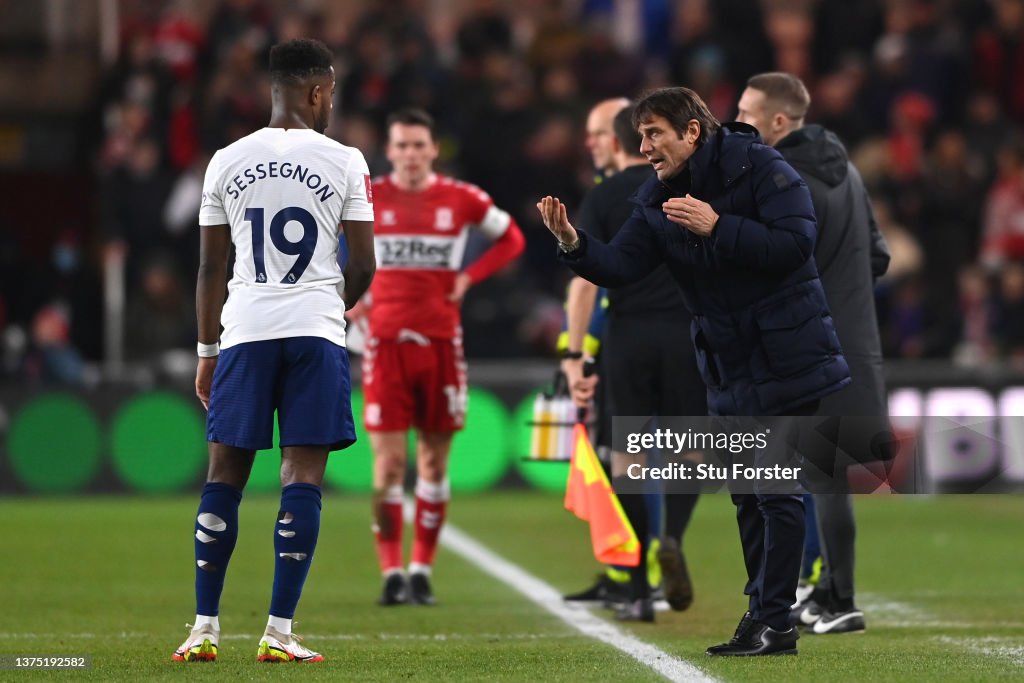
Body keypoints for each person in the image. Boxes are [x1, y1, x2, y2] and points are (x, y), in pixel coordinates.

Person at [537, 86, 851, 656]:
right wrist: (574, 244)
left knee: (775, 491)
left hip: (788, 353)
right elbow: (623, 264)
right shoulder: (656, 197)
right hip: (728, 361)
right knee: (746, 492)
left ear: (692, 132)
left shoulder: (759, 165)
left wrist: (716, 226)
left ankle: (777, 621)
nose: (644, 147)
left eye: (654, 133)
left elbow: (798, 244)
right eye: (640, 136)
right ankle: (762, 614)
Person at [173, 38, 376, 664]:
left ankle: (203, 629)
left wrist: (208, 349)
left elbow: (210, 266)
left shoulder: (225, 160)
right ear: (317, 91)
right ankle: (278, 632)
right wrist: (326, 307)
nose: (331, 103)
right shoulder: (344, 160)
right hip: (314, 333)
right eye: (332, 93)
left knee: (224, 475)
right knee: (301, 475)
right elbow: (364, 264)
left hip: (244, 331)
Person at [736, 71, 892, 635]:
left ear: (780, 121)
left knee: (798, 474)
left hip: (805, 347)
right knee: (820, 474)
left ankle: (834, 596)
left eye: (748, 112)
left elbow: (766, 261)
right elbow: (878, 256)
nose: (738, 120)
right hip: (854, 341)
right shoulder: (847, 170)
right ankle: (825, 592)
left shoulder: (778, 177)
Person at [356, 107, 525, 606]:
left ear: (433, 151)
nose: (410, 154)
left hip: (440, 343)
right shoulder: (368, 197)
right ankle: (391, 572)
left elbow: (512, 237)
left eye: (418, 146)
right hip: (384, 343)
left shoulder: (460, 198)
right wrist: (351, 299)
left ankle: (422, 569)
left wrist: (468, 278)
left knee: (432, 460)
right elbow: (330, 247)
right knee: (387, 466)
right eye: (401, 145)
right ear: (389, 152)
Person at [562, 104, 707, 623]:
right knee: (689, 453)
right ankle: (672, 537)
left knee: (630, 462)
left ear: (616, 141)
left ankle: (640, 590)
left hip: (628, 337)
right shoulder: (689, 185)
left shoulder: (603, 196)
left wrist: (575, 355)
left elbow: (586, 282)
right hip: (689, 334)